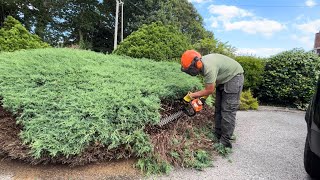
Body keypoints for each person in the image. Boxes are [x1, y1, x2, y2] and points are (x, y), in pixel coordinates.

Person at [180, 50, 244, 148]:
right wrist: (202, 99)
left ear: (196, 63)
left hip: (234, 78)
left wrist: (190, 96)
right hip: (222, 80)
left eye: (190, 69)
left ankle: (225, 141)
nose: (190, 72)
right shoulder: (202, 66)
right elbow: (210, 87)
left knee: (227, 111)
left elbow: (209, 90)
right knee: (218, 109)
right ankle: (218, 134)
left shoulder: (208, 67)